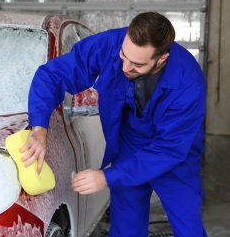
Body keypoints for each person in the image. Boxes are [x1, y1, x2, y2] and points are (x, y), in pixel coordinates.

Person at [20, 12, 207, 237]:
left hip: (174, 155)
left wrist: (107, 177)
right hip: (130, 144)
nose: (125, 66)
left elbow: (169, 148)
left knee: (188, 226)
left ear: (162, 58)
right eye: (123, 55)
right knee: (126, 227)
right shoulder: (109, 44)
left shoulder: (188, 83)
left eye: (137, 64)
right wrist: (39, 128)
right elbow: (53, 75)